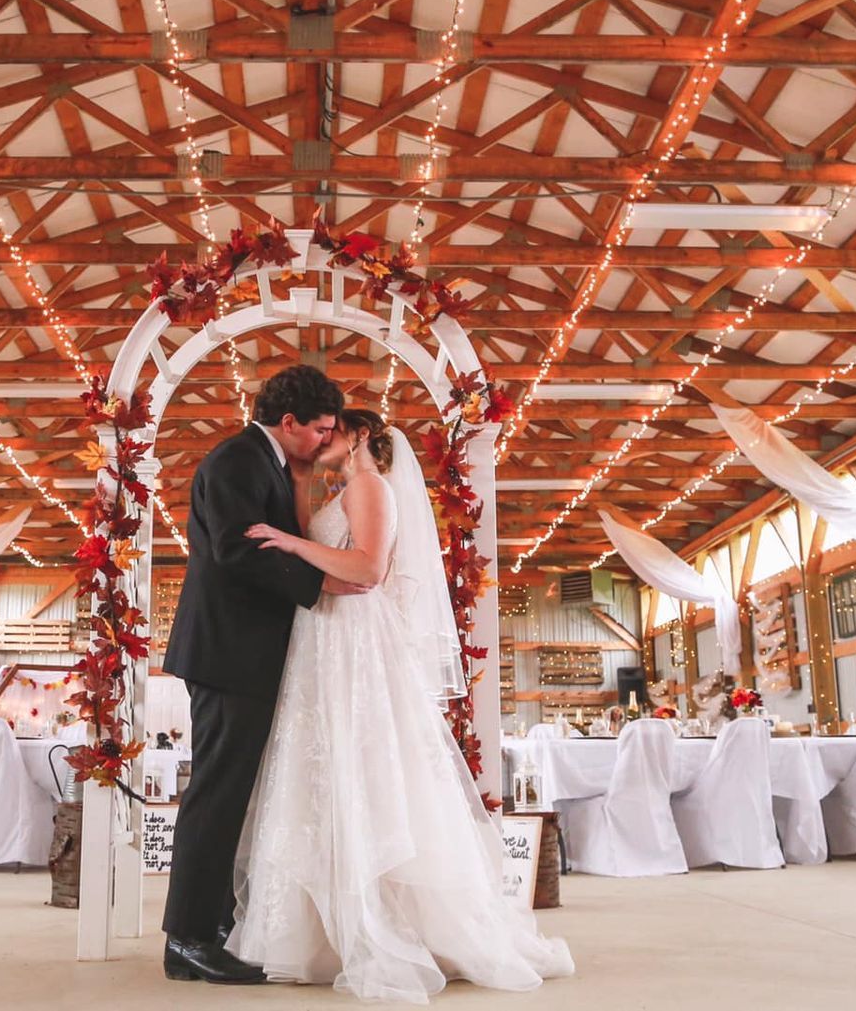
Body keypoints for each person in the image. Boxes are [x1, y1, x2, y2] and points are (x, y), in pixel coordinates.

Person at [236, 408, 574, 1003]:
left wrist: (289, 541)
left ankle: (388, 920)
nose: (323, 440)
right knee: (324, 770)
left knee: (367, 769)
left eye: (332, 430)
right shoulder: (343, 487)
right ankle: (318, 928)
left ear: (361, 436)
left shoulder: (372, 487)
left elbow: (368, 568)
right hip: (323, 638)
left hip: (354, 641)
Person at [160, 364, 345, 984]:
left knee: (232, 795)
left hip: (241, 653)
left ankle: (208, 925)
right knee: (216, 794)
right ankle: (187, 938)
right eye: (319, 429)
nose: (325, 439)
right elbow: (237, 550)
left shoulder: (265, 463)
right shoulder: (237, 459)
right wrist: (324, 584)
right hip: (227, 653)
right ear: (287, 422)